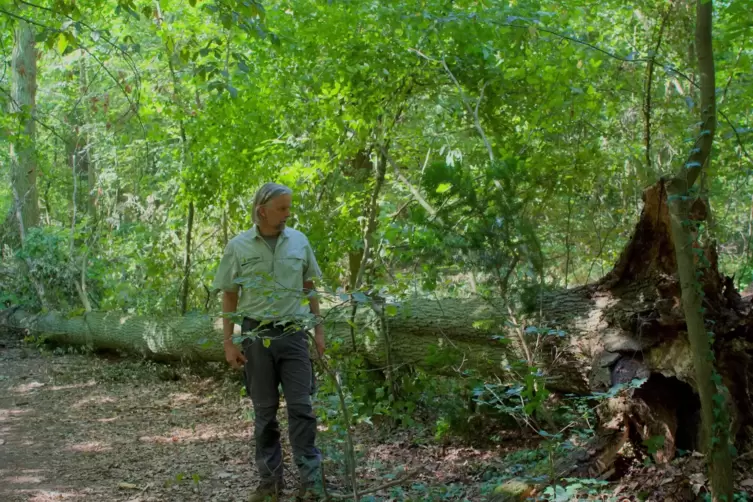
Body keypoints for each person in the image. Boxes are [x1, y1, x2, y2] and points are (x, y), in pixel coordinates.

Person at [212, 182, 326, 502]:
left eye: (289, 207)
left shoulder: (299, 242)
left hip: (293, 335)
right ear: (262, 210)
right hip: (255, 335)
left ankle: (311, 483)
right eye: (282, 208)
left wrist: (319, 331)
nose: (288, 214)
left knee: (302, 408)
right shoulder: (238, 246)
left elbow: (309, 286)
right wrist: (229, 342)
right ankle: (269, 485)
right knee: (264, 412)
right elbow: (230, 295)